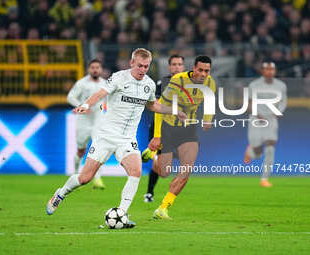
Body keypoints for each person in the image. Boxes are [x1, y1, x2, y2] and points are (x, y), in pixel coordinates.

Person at [46, 48, 187, 228]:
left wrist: (174, 111)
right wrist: (86, 104)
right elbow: (100, 94)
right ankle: (61, 193)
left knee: (135, 172)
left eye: (146, 66)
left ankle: (122, 214)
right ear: (131, 63)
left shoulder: (149, 84)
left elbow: (153, 105)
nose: (142, 69)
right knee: (85, 178)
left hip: (127, 139)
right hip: (105, 135)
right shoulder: (119, 77)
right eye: (139, 66)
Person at [151, 55, 216, 219]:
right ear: (193, 68)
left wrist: (207, 120)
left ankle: (163, 207)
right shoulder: (177, 81)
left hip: (188, 129)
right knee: (163, 171)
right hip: (169, 127)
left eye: (206, 71)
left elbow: (209, 104)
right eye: (200, 70)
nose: (202, 74)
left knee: (187, 169)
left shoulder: (210, 83)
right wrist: (157, 136)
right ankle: (152, 156)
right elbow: (160, 106)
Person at [142, 54, 185, 203]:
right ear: (169, 67)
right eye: (174, 64)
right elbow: (158, 107)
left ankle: (164, 197)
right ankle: (149, 192)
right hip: (160, 129)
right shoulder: (162, 83)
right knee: (161, 168)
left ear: (183, 67)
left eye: (179, 64)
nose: (177, 67)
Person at [244, 61, 287, 187]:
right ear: (262, 71)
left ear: (275, 71)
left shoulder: (281, 86)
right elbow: (248, 104)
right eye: (267, 69)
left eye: (272, 69)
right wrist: (258, 115)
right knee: (257, 154)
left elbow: (283, 102)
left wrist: (279, 111)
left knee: (270, 148)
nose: (269, 72)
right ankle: (250, 151)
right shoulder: (254, 85)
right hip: (256, 121)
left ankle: (264, 179)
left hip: (271, 121)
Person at [67, 59, 106, 189]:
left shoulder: (105, 84)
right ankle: (75, 173)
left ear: (100, 69)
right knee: (81, 150)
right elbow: (70, 97)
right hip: (83, 121)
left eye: (97, 67)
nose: (95, 69)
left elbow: (109, 101)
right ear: (89, 69)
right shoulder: (82, 83)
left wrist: (106, 110)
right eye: (93, 67)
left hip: (98, 121)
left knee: (99, 149)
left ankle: (97, 178)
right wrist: (81, 106)